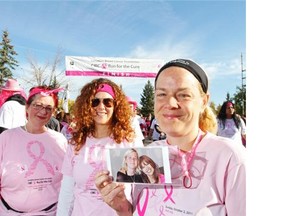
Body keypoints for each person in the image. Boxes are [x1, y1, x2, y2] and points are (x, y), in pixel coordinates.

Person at [95, 58, 246, 216]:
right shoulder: (149, 154)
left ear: (203, 101)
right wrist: (123, 209)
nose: (171, 103)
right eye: (162, 94)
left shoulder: (230, 158)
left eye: (184, 95)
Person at [56, 78, 143, 216]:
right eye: (95, 102)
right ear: (86, 106)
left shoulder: (130, 143)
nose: (101, 107)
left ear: (116, 107)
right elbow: (67, 191)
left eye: (108, 102)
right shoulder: (76, 144)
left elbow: (141, 192)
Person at [0, 85, 68, 215]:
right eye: (38, 105)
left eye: (49, 108)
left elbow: (68, 179)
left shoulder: (59, 140)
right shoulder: (6, 138)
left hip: (51, 212)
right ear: (27, 107)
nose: (43, 111)